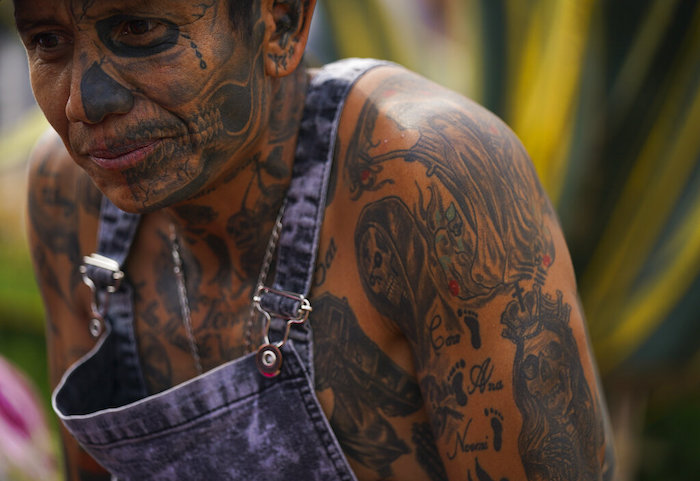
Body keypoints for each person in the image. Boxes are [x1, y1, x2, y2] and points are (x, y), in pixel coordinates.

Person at [14, 0, 616, 480]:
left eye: (141, 28)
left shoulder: (427, 183)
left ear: (280, 23)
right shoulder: (70, 197)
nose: (81, 103)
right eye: (47, 40)